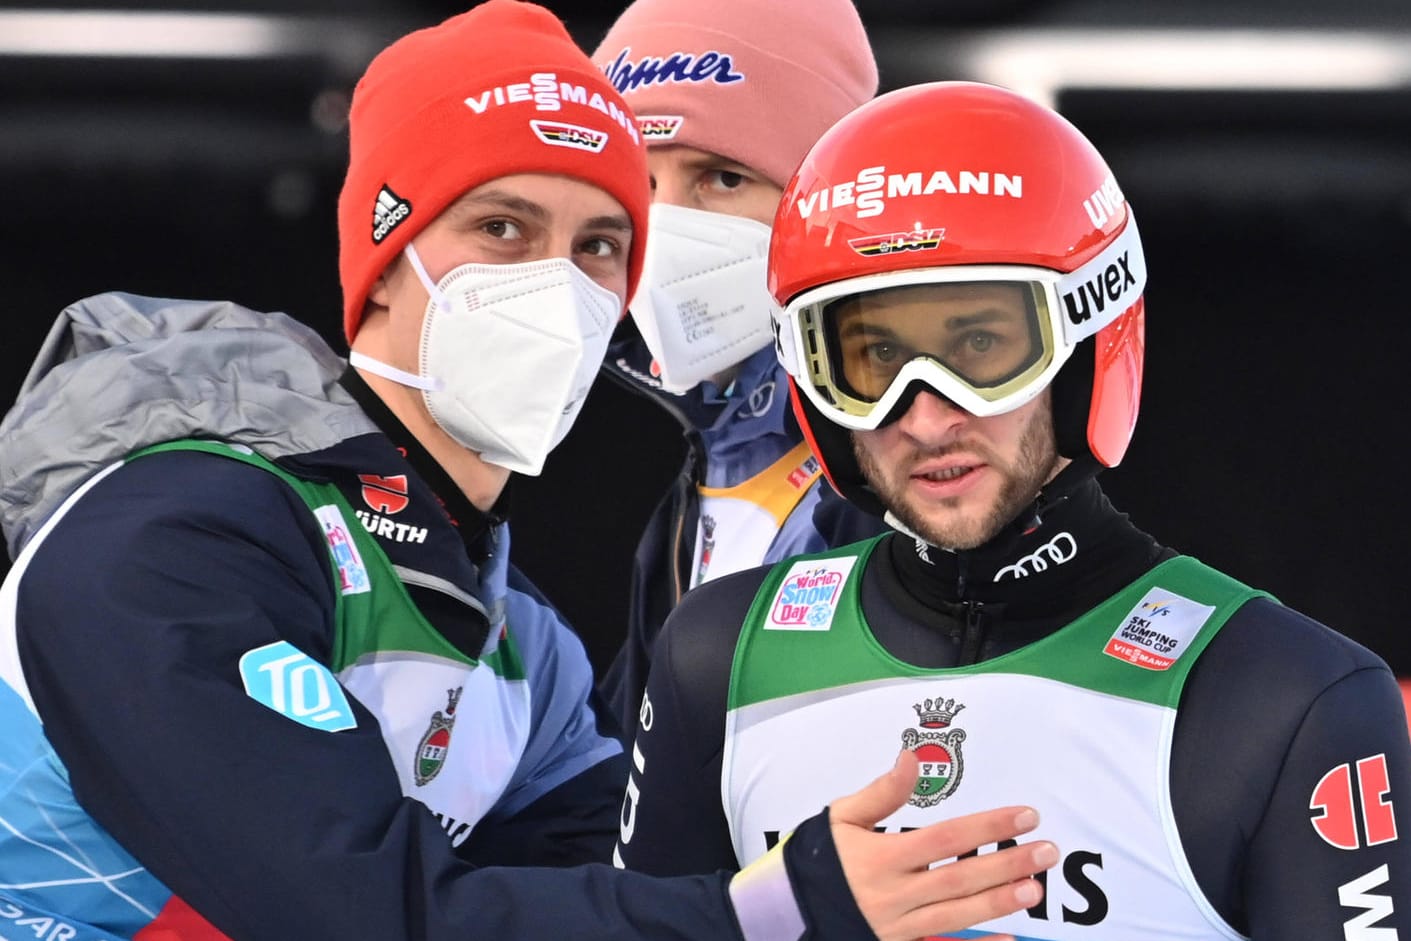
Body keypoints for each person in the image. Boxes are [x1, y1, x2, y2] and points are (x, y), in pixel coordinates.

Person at [0, 6, 1060, 940]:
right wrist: (779, 907)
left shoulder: (518, 645)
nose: (556, 282)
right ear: (386, 257)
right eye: (502, 228)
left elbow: (625, 886)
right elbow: (356, 910)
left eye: (599, 244)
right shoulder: (167, 535)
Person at [613, 81, 1411, 937]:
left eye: (981, 347)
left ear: (1083, 344)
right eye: (874, 355)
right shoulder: (715, 656)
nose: (924, 415)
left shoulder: (1289, 697)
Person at [589, 0, 888, 734]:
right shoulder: (700, 481)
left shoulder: (916, 472)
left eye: (722, 179)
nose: (664, 230)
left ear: (822, 202)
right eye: (639, 185)